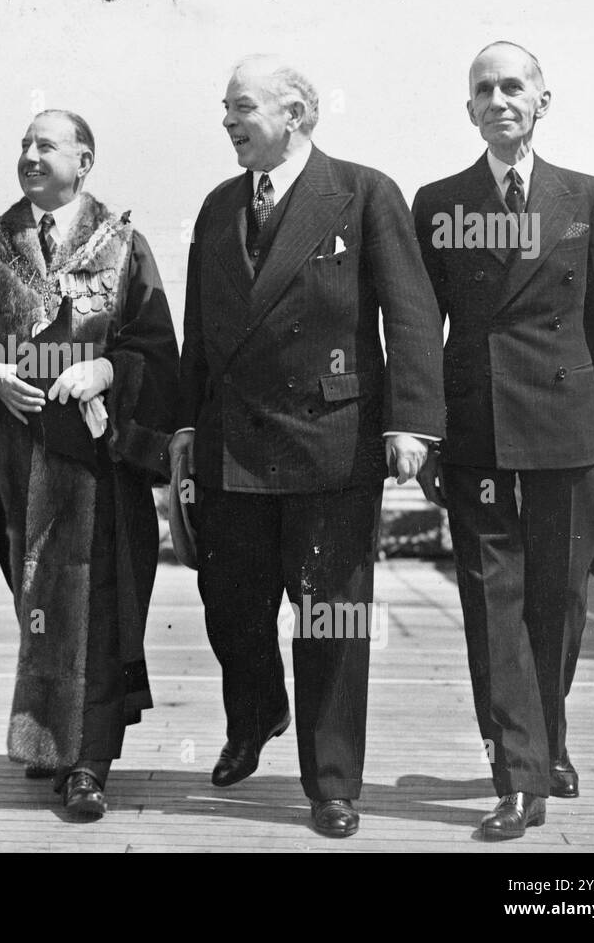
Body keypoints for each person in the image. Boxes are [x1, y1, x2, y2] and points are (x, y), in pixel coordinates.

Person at [172, 58, 445, 838]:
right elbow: (201, 328)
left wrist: (412, 423)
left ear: (296, 113)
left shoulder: (362, 193)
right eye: (223, 106)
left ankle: (331, 781)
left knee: (329, 618)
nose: (228, 120)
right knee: (231, 606)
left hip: (332, 440)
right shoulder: (218, 206)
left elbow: (412, 313)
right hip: (231, 443)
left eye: (243, 107)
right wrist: (186, 425)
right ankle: (256, 712)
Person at [0, 110, 178, 818]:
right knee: (36, 597)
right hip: (14, 459)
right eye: (24, 145)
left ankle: (88, 760)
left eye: (47, 145)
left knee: (92, 600)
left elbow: (156, 350)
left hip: (95, 459)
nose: (30, 155)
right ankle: (49, 737)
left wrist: (107, 371)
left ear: (84, 161)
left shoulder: (124, 247)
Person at [412, 41, 594, 840]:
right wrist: (423, 430)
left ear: (544, 100)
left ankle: (547, 735)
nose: (499, 98)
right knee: (493, 603)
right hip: (476, 430)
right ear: (469, 108)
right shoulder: (438, 201)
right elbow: (417, 328)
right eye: (483, 89)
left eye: (514, 86)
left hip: (568, 429)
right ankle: (521, 772)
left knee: (561, 600)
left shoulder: (585, 195)